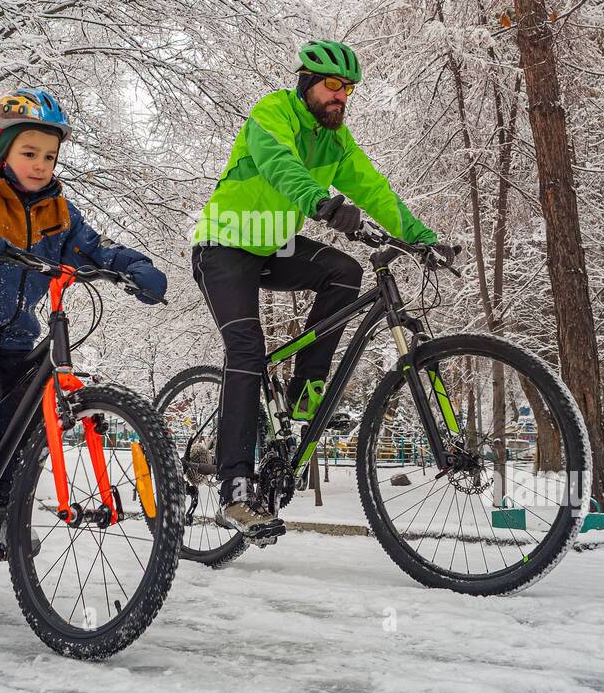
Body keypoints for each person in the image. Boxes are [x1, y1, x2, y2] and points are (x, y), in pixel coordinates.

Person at [191, 40, 453, 540]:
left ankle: (303, 395)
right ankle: (235, 488)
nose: (341, 97)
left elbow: (373, 187)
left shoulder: (336, 142)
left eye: (349, 89)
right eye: (333, 86)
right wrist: (322, 203)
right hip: (222, 246)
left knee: (344, 272)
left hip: (273, 248)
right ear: (307, 83)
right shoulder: (273, 112)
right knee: (246, 349)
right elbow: (277, 164)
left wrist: (422, 239)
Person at [0, 88, 167, 548]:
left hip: (17, 335)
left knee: (25, 414)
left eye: (49, 156)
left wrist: (132, 267)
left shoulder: (59, 213)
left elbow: (95, 250)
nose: (40, 165)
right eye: (29, 153)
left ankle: (4, 509)